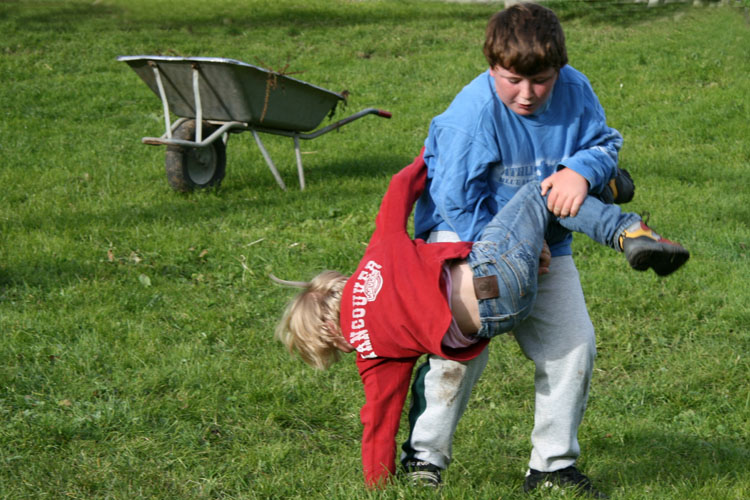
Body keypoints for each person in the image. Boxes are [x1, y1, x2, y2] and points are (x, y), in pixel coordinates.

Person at [274, 153, 689, 490]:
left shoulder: (373, 356)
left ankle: (607, 189)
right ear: (336, 286)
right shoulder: (376, 259)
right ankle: (622, 221)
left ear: (330, 334)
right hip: (498, 272)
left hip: (502, 315)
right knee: (542, 190)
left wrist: (377, 485)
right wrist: (432, 152)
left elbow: (378, 423)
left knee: (539, 212)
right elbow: (401, 189)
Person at [402, 2, 649, 497]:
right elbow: (453, 200)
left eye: (541, 79)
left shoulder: (576, 90)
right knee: (459, 352)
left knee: (573, 345)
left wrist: (581, 171)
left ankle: (552, 466)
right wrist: (506, 250)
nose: (527, 94)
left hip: (546, 244)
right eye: (512, 78)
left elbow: (604, 142)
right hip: (465, 238)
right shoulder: (471, 115)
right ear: (493, 66)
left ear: (558, 69)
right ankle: (423, 457)